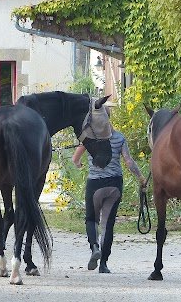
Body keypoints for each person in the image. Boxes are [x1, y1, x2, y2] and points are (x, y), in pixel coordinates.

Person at [72, 115, 147, 274]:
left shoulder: (89, 136)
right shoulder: (119, 137)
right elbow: (128, 161)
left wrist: (79, 164)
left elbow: (75, 158)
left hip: (95, 184)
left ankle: (94, 248)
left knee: (91, 219)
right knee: (108, 223)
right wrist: (141, 177)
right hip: (114, 184)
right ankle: (104, 264)